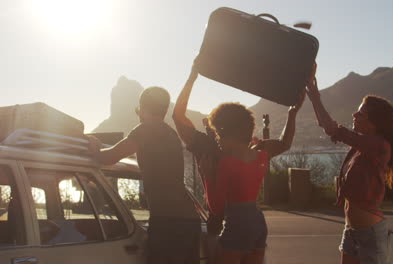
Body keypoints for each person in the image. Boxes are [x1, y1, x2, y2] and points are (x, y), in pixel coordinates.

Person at [172, 61, 306, 264]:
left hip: (226, 227)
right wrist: (292, 114)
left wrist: (192, 77)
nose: (216, 137)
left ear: (222, 132)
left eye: (217, 132)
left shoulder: (211, 149)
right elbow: (285, 143)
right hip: (257, 222)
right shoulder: (258, 151)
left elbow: (178, 116)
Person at [306, 64, 393, 264]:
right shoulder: (361, 148)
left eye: (360, 114)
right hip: (351, 231)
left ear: (374, 122)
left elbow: (332, 128)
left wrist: (315, 95)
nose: (354, 115)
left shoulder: (380, 146)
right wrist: (313, 95)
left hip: (370, 236)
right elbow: (327, 126)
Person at [88, 86, 200, 264]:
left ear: (143, 107)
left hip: (168, 221)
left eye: (138, 110)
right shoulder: (170, 134)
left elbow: (107, 158)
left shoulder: (144, 129)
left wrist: (93, 144)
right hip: (189, 221)